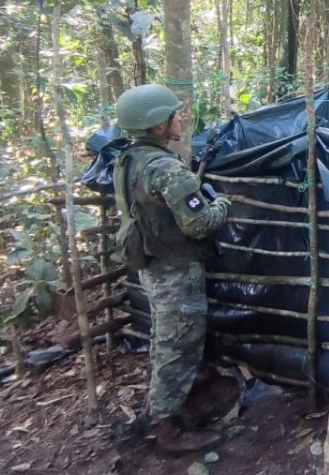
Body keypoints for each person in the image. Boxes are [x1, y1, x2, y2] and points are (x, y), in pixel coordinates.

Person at [113, 84, 232, 452]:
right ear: (157, 125)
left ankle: (179, 403)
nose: (179, 118)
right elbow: (199, 223)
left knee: (167, 339)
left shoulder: (128, 160)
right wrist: (222, 205)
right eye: (173, 115)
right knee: (175, 345)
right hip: (175, 270)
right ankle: (169, 431)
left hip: (151, 265)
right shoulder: (165, 168)